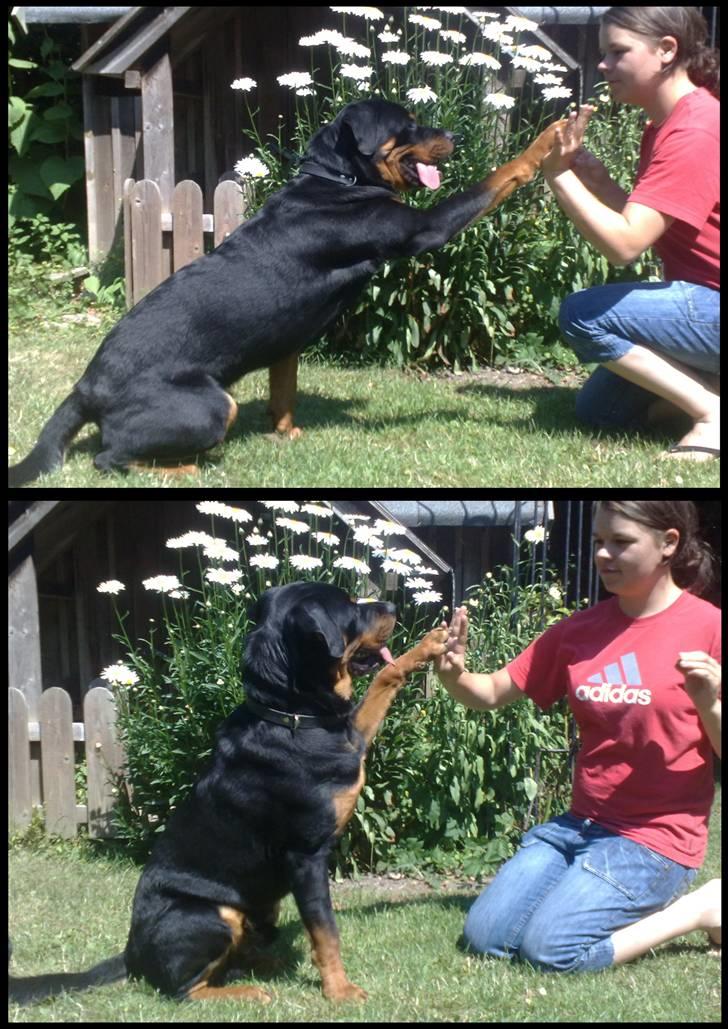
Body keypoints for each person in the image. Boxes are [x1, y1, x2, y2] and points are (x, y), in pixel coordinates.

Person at [435, 500, 721, 972]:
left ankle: (702, 907)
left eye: (621, 542)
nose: (604, 555)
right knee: (486, 937)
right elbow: (490, 692)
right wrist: (453, 674)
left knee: (551, 951)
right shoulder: (580, 630)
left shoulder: (709, 628)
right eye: (598, 542)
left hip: (656, 838)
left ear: (669, 543)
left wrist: (709, 702)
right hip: (578, 825)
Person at [541, 8, 719, 461]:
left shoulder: (695, 131)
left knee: (583, 314)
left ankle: (710, 414)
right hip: (704, 301)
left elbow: (624, 246)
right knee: (602, 410)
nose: (602, 65)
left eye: (617, 52)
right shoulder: (665, 124)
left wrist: (558, 177)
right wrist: (599, 183)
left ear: (665, 51)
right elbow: (660, 227)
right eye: (604, 53)